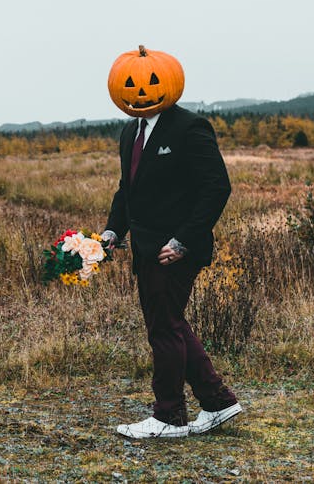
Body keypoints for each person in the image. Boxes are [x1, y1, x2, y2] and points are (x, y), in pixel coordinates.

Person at [101, 46, 241, 439]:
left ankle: (168, 417)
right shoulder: (130, 131)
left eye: (147, 84)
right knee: (171, 324)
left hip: (175, 251)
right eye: (130, 84)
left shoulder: (189, 127)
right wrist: (113, 232)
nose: (139, 91)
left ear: (169, 83)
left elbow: (216, 188)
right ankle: (218, 402)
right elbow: (126, 192)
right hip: (145, 249)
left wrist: (183, 240)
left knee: (163, 329)